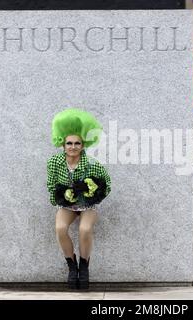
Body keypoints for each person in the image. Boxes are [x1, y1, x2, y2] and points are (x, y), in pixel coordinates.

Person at [47, 108, 111, 290]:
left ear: (83, 145)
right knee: (60, 228)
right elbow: (51, 186)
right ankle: (71, 266)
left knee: (85, 229)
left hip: (87, 206)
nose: (73, 147)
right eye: (69, 143)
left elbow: (107, 185)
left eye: (77, 143)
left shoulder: (93, 164)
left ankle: (84, 266)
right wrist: (61, 197)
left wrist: (92, 192)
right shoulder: (54, 163)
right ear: (62, 144)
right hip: (66, 206)